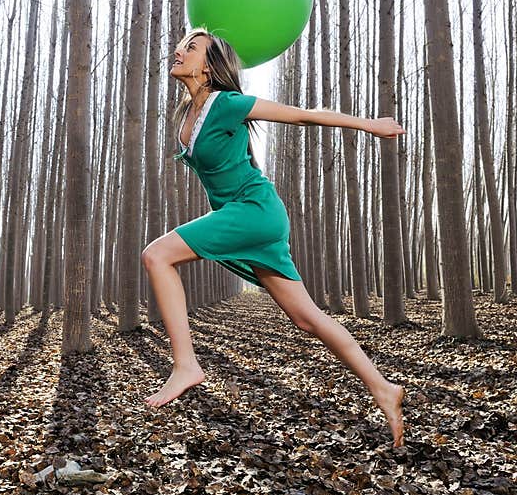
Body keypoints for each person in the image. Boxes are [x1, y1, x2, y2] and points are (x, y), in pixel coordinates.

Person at [140, 27, 407, 447]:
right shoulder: (187, 115)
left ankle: (186, 365)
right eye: (180, 44)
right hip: (244, 215)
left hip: (254, 211)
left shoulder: (225, 103)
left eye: (191, 47)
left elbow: (305, 114)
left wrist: (369, 125)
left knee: (157, 255)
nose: (178, 50)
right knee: (306, 318)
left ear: (209, 67)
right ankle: (384, 389)